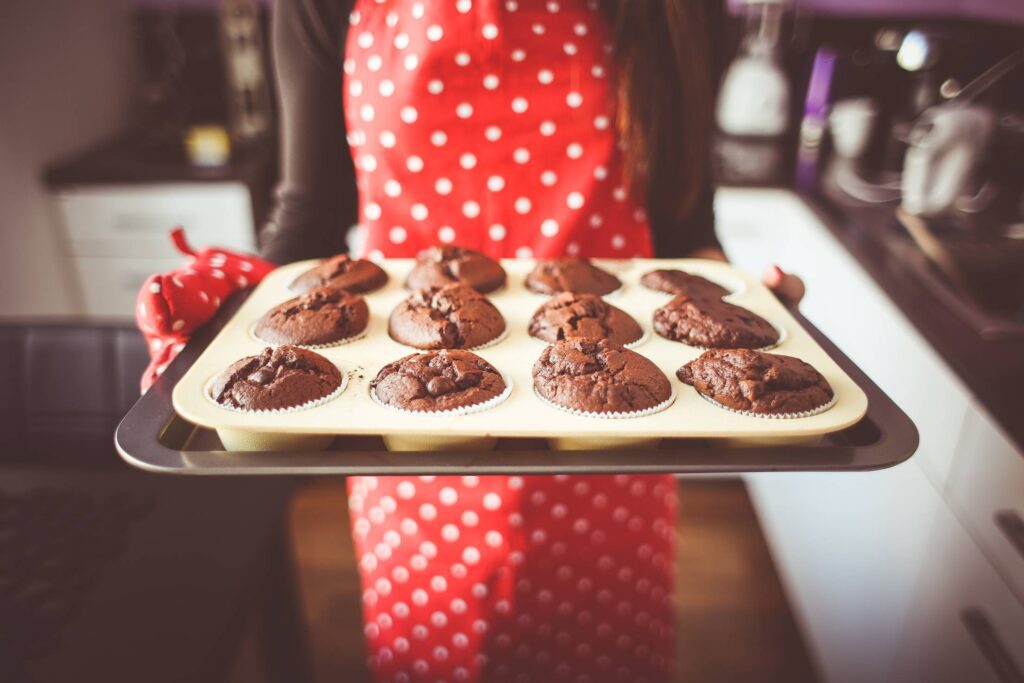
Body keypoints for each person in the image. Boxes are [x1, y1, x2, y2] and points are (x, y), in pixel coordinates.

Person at [149, 1, 802, 681]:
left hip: (611, 429)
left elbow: (684, 223)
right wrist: (233, 306)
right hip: (414, 430)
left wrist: (742, 315)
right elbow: (308, 221)